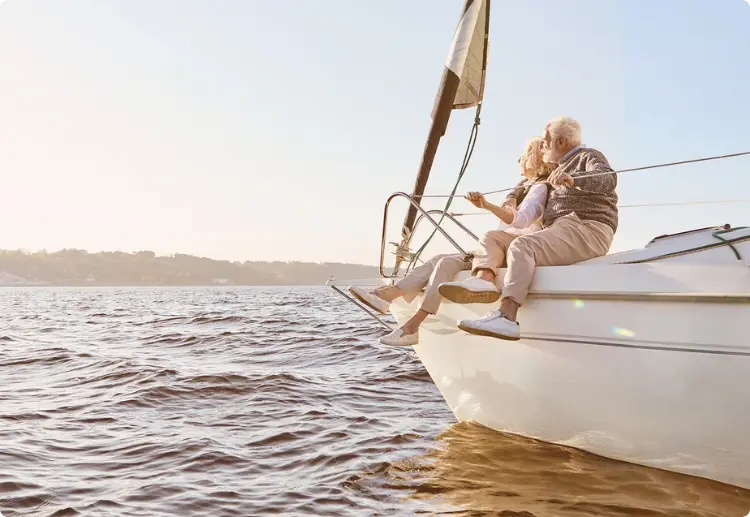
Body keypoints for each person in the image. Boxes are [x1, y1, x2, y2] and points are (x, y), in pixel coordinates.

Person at [348, 136, 554, 346]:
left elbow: (520, 221)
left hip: (512, 249)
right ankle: (396, 305)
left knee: (447, 261)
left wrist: (487, 206)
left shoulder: (540, 189)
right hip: (497, 248)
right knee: (442, 260)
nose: (520, 159)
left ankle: (403, 314)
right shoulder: (524, 188)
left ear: (535, 158)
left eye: (525, 154)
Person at [451, 116, 618, 341]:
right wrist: (510, 197)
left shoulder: (587, 156)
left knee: (523, 245)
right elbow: (526, 188)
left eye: (546, 141)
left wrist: (573, 179)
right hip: (562, 228)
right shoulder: (553, 171)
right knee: (493, 238)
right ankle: (484, 282)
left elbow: (607, 179)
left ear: (561, 141)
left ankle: (506, 317)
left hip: (586, 227)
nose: (543, 145)